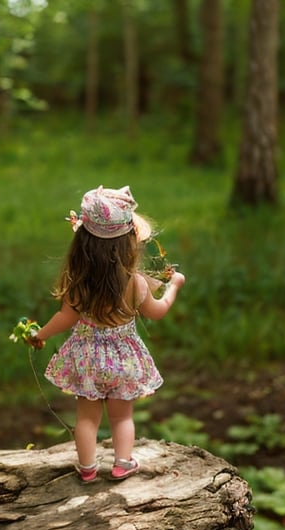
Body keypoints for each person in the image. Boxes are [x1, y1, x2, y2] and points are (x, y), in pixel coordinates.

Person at [32, 185, 185, 483]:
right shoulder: (136, 283)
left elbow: (65, 316)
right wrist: (174, 287)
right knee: (121, 417)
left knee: (87, 418)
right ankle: (122, 463)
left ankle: (87, 468)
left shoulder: (80, 283)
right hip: (123, 362)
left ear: (83, 245)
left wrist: (41, 333)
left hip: (87, 360)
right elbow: (158, 311)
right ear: (129, 244)